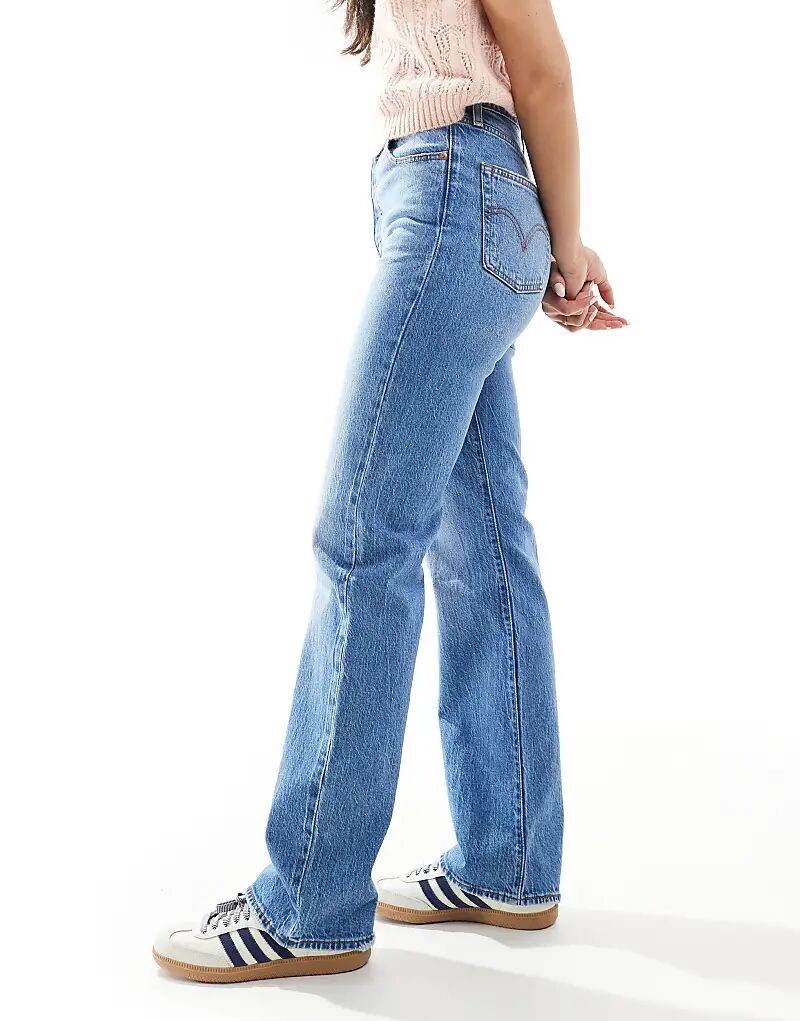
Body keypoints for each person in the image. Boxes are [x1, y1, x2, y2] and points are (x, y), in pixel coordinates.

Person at [153, 0, 627, 984]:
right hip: (463, 202)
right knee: (482, 546)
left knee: (363, 541)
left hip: (456, 194)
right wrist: (543, 239)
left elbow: (542, 67)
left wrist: (568, 245)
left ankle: (311, 900)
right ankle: (507, 859)